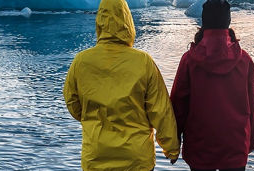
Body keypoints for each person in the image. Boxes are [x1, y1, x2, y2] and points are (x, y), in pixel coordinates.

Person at [63, 0, 180, 170]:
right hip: (137, 159)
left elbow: (72, 102)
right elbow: (160, 110)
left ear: (100, 22)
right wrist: (171, 149)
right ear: (128, 23)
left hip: (96, 157)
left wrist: (93, 120)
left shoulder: (81, 61)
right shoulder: (143, 62)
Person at [170, 0, 254, 171]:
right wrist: (252, 141)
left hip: (199, 148)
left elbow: (178, 105)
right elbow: (253, 106)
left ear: (203, 22)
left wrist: (173, 141)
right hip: (235, 147)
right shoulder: (245, 61)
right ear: (228, 22)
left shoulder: (189, 60)